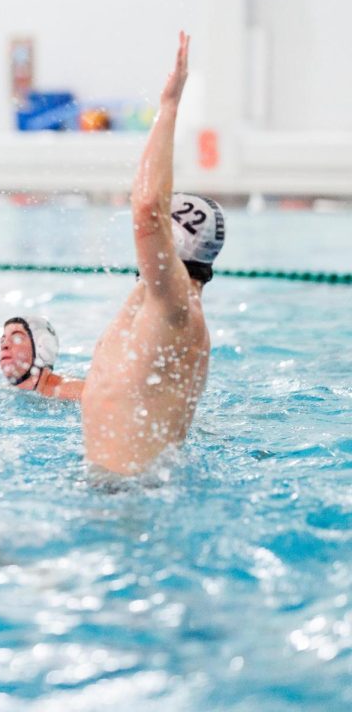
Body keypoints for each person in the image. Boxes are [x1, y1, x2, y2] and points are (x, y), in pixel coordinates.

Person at [82, 32, 225, 476]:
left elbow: (147, 211)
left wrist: (168, 106)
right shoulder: (158, 303)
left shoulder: (174, 303)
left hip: (127, 501)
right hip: (113, 490)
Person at [0, 315, 84, 401]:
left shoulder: (74, 391)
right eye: (3, 340)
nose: (4, 345)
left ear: (42, 347)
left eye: (17, 338)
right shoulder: (2, 392)